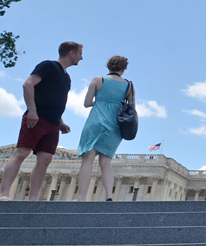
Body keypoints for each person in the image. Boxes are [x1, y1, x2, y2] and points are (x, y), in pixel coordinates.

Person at [0, 42, 82, 201]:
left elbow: (58, 100)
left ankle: (33, 198)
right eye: (80, 54)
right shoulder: (48, 66)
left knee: (45, 159)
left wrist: (61, 121)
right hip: (37, 117)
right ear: (71, 53)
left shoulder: (67, 77)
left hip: (53, 123)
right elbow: (28, 84)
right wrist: (32, 110)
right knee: (21, 153)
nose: (81, 57)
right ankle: (4, 194)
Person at [75, 55, 133, 202]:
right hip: (115, 126)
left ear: (108, 66)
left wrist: (101, 101)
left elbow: (86, 103)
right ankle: (109, 196)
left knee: (87, 160)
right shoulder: (129, 86)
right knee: (106, 163)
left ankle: (81, 197)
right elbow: (131, 108)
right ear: (123, 69)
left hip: (95, 121)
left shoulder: (98, 80)